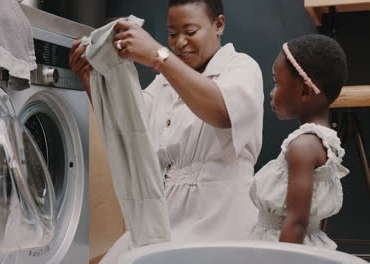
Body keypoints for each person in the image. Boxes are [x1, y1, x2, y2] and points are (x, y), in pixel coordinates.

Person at [69, 0, 263, 262]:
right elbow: (130, 124)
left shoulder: (241, 66)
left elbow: (222, 112)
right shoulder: (164, 83)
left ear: (218, 25)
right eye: (172, 34)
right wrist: (91, 79)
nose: (180, 42)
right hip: (164, 218)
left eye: (190, 32)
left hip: (219, 216)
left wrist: (159, 56)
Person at [249, 34, 349, 250]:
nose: (272, 92)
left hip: (282, 247)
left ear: (304, 91)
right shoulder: (325, 141)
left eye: (277, 83)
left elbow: (295, 223)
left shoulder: (302, 146)